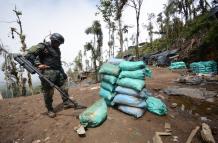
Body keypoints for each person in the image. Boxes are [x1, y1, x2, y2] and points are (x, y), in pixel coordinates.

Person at [25, 33, 78, 118]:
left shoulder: (57, 49)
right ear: (53, 40)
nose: (59, 45)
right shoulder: (43, 46)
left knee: (64, 88)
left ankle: (66, 103)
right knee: (48, 92)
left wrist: (63, 73)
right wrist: (37, 64)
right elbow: (29, 54)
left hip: (58, 71)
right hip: (47, 73)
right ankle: (50, 109)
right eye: (58, 43)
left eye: (60, 43)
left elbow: (58, 62)